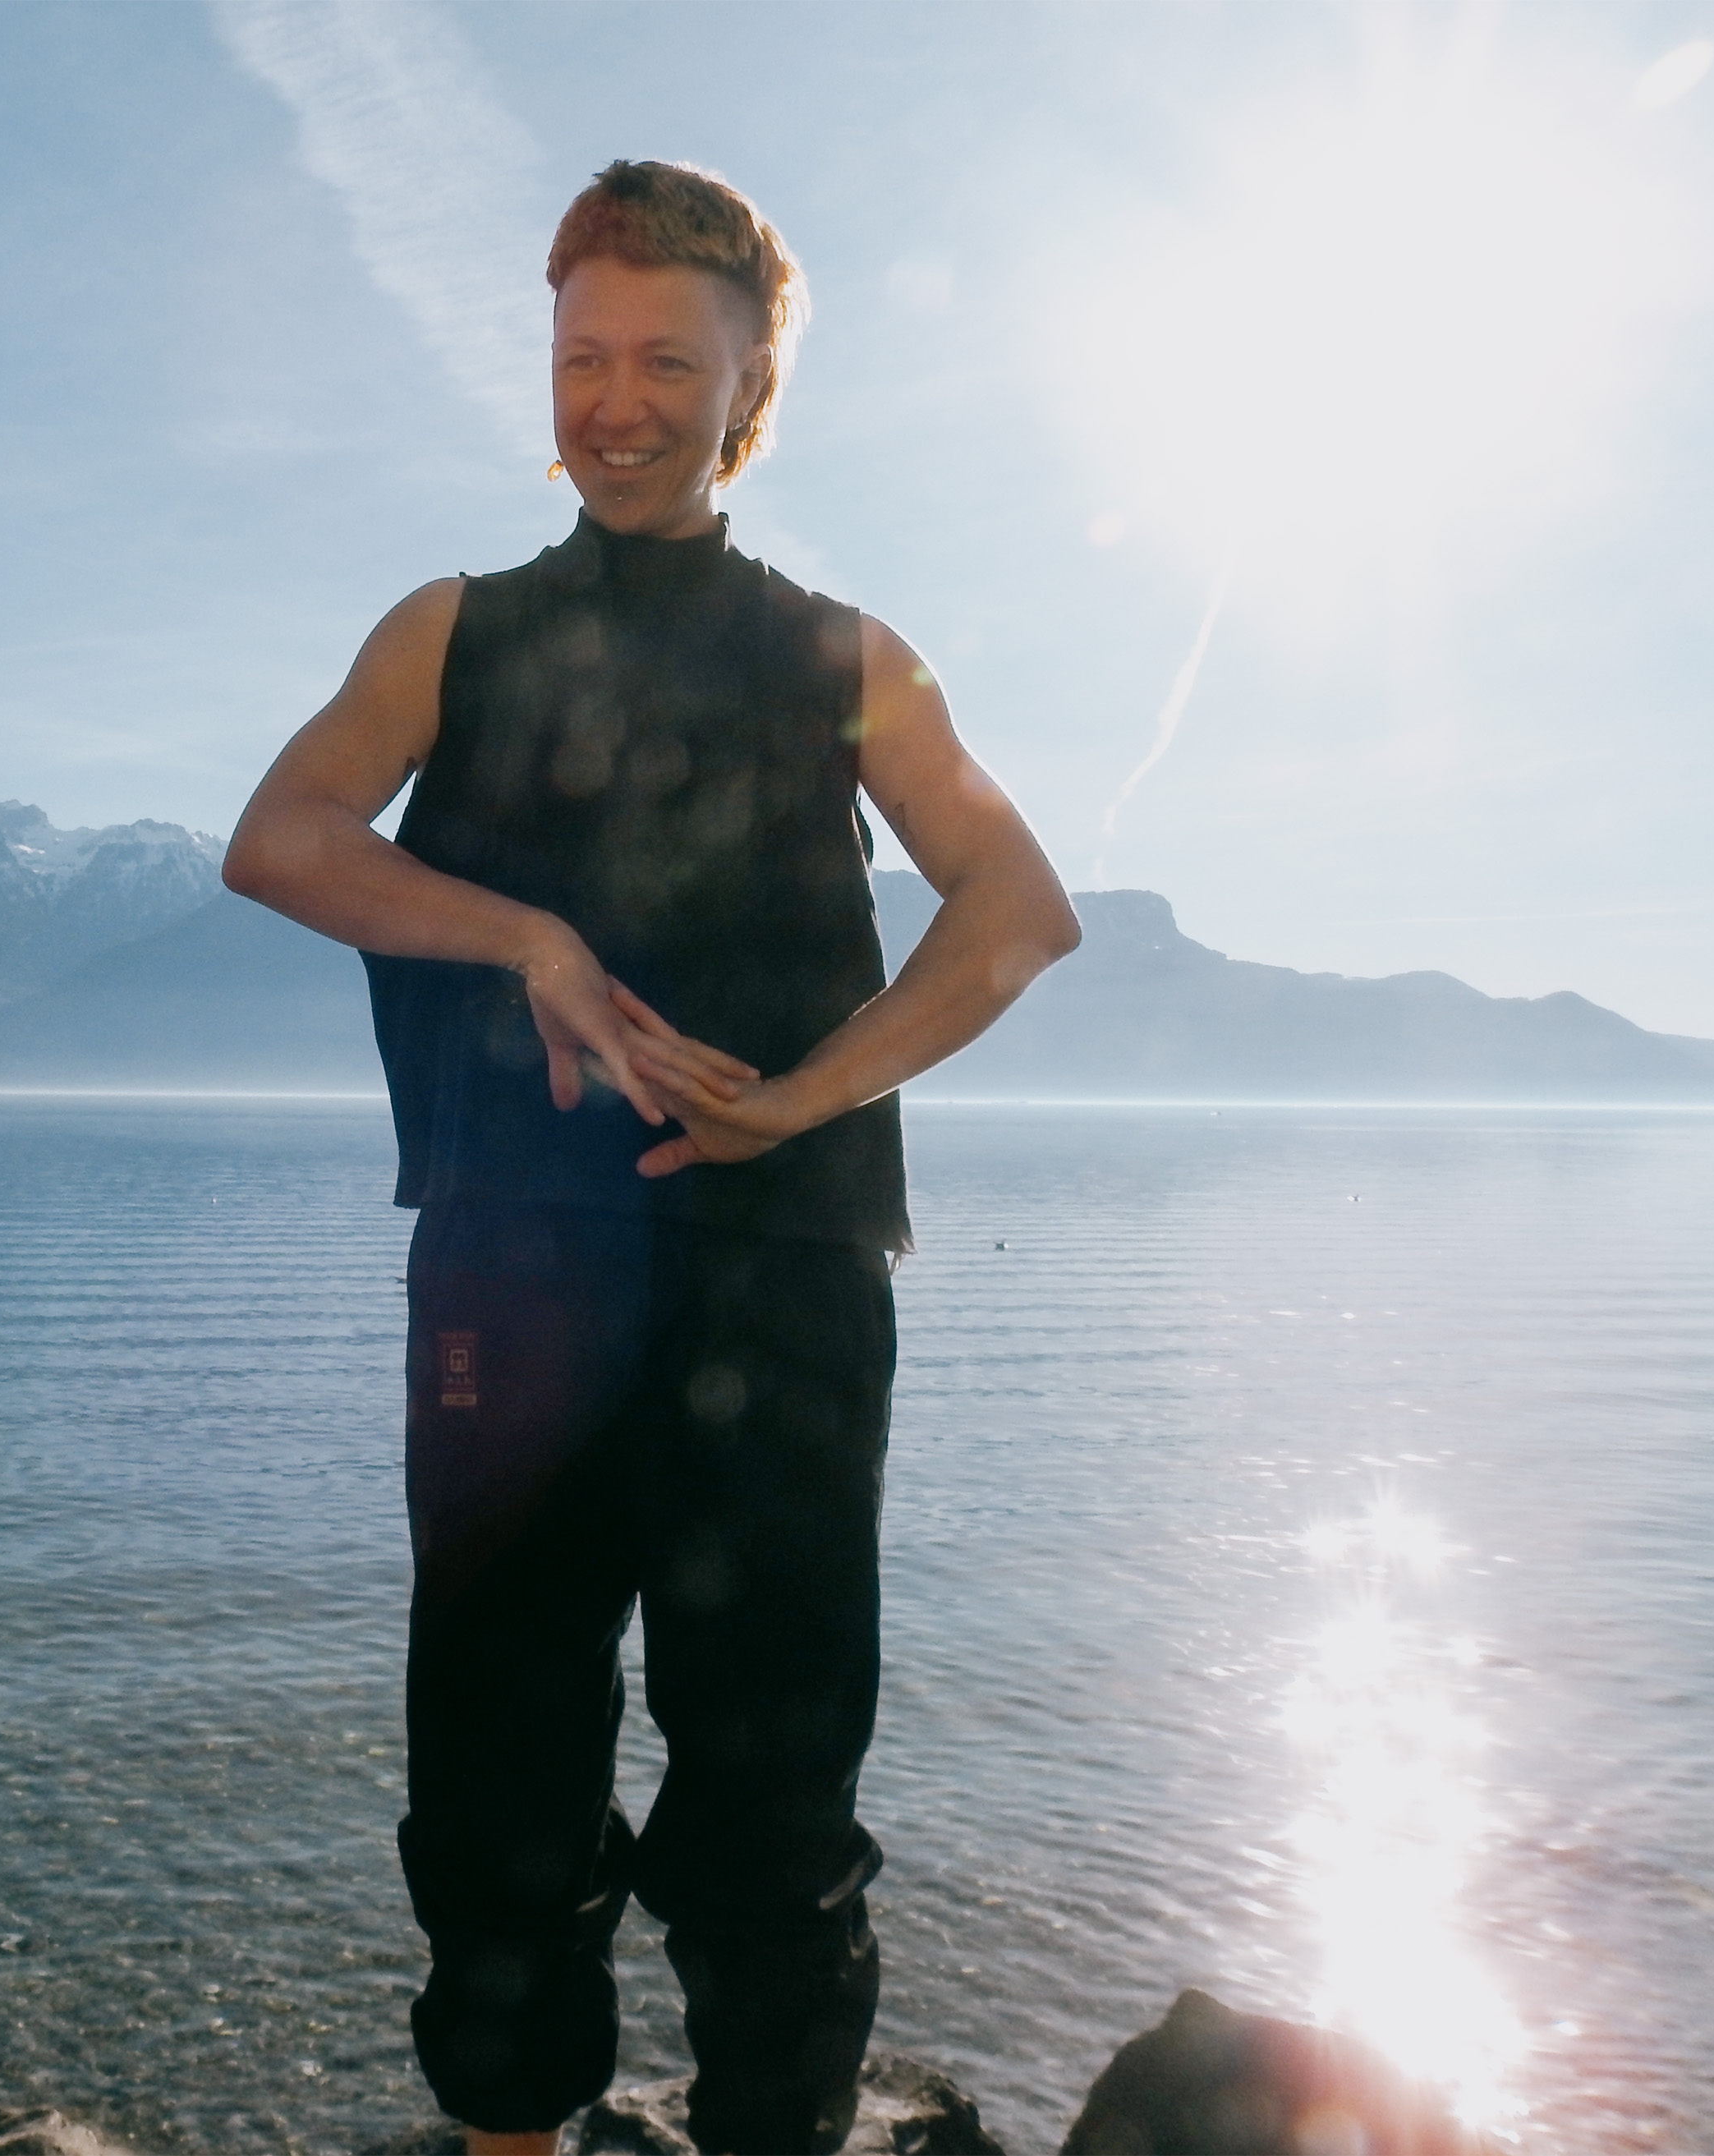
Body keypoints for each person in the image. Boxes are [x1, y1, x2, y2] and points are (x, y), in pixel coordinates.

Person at [223, 159, 1080, 2156]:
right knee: (500, 1757)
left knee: (773, 1785)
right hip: (512, 1273)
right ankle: (511, 2142)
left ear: (747, 383)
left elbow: (1013, 908)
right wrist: (521, 934)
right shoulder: (457, 630)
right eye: (581, 355)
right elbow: (283, 840)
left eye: (664, 361)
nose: (614, 400)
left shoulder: (844, 654)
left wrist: (807, 1090)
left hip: (782, 1273)